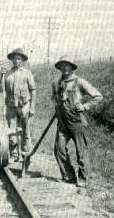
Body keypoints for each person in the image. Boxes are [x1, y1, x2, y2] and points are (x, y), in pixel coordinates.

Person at [52, 56, 103, 187]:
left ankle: (83, 178)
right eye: (62, 65)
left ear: (72, 67)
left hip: (76, 121)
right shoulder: (56, 83)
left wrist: (85, 106)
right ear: (60, 68)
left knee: (81, 150)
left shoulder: (79, 82)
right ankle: (68, 175)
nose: (64, 68)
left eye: (67, 65)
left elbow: (98, 96)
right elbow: (54, 98)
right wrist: (58, 107)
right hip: (62, 122)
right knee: (59, 148)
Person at [0, 48, 36, 161]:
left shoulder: (27, 73)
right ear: (12, 60)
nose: (16, 61)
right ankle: (14, 154)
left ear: (22, 60)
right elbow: (0, 89)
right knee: (11, 132)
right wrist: (1, 76)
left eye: (19, 59)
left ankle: (25, 154)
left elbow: (33, 90)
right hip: (11, 107)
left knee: (25, 131)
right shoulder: (7, 73)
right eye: (14, 59)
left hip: (24, 106)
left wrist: (32, 107)